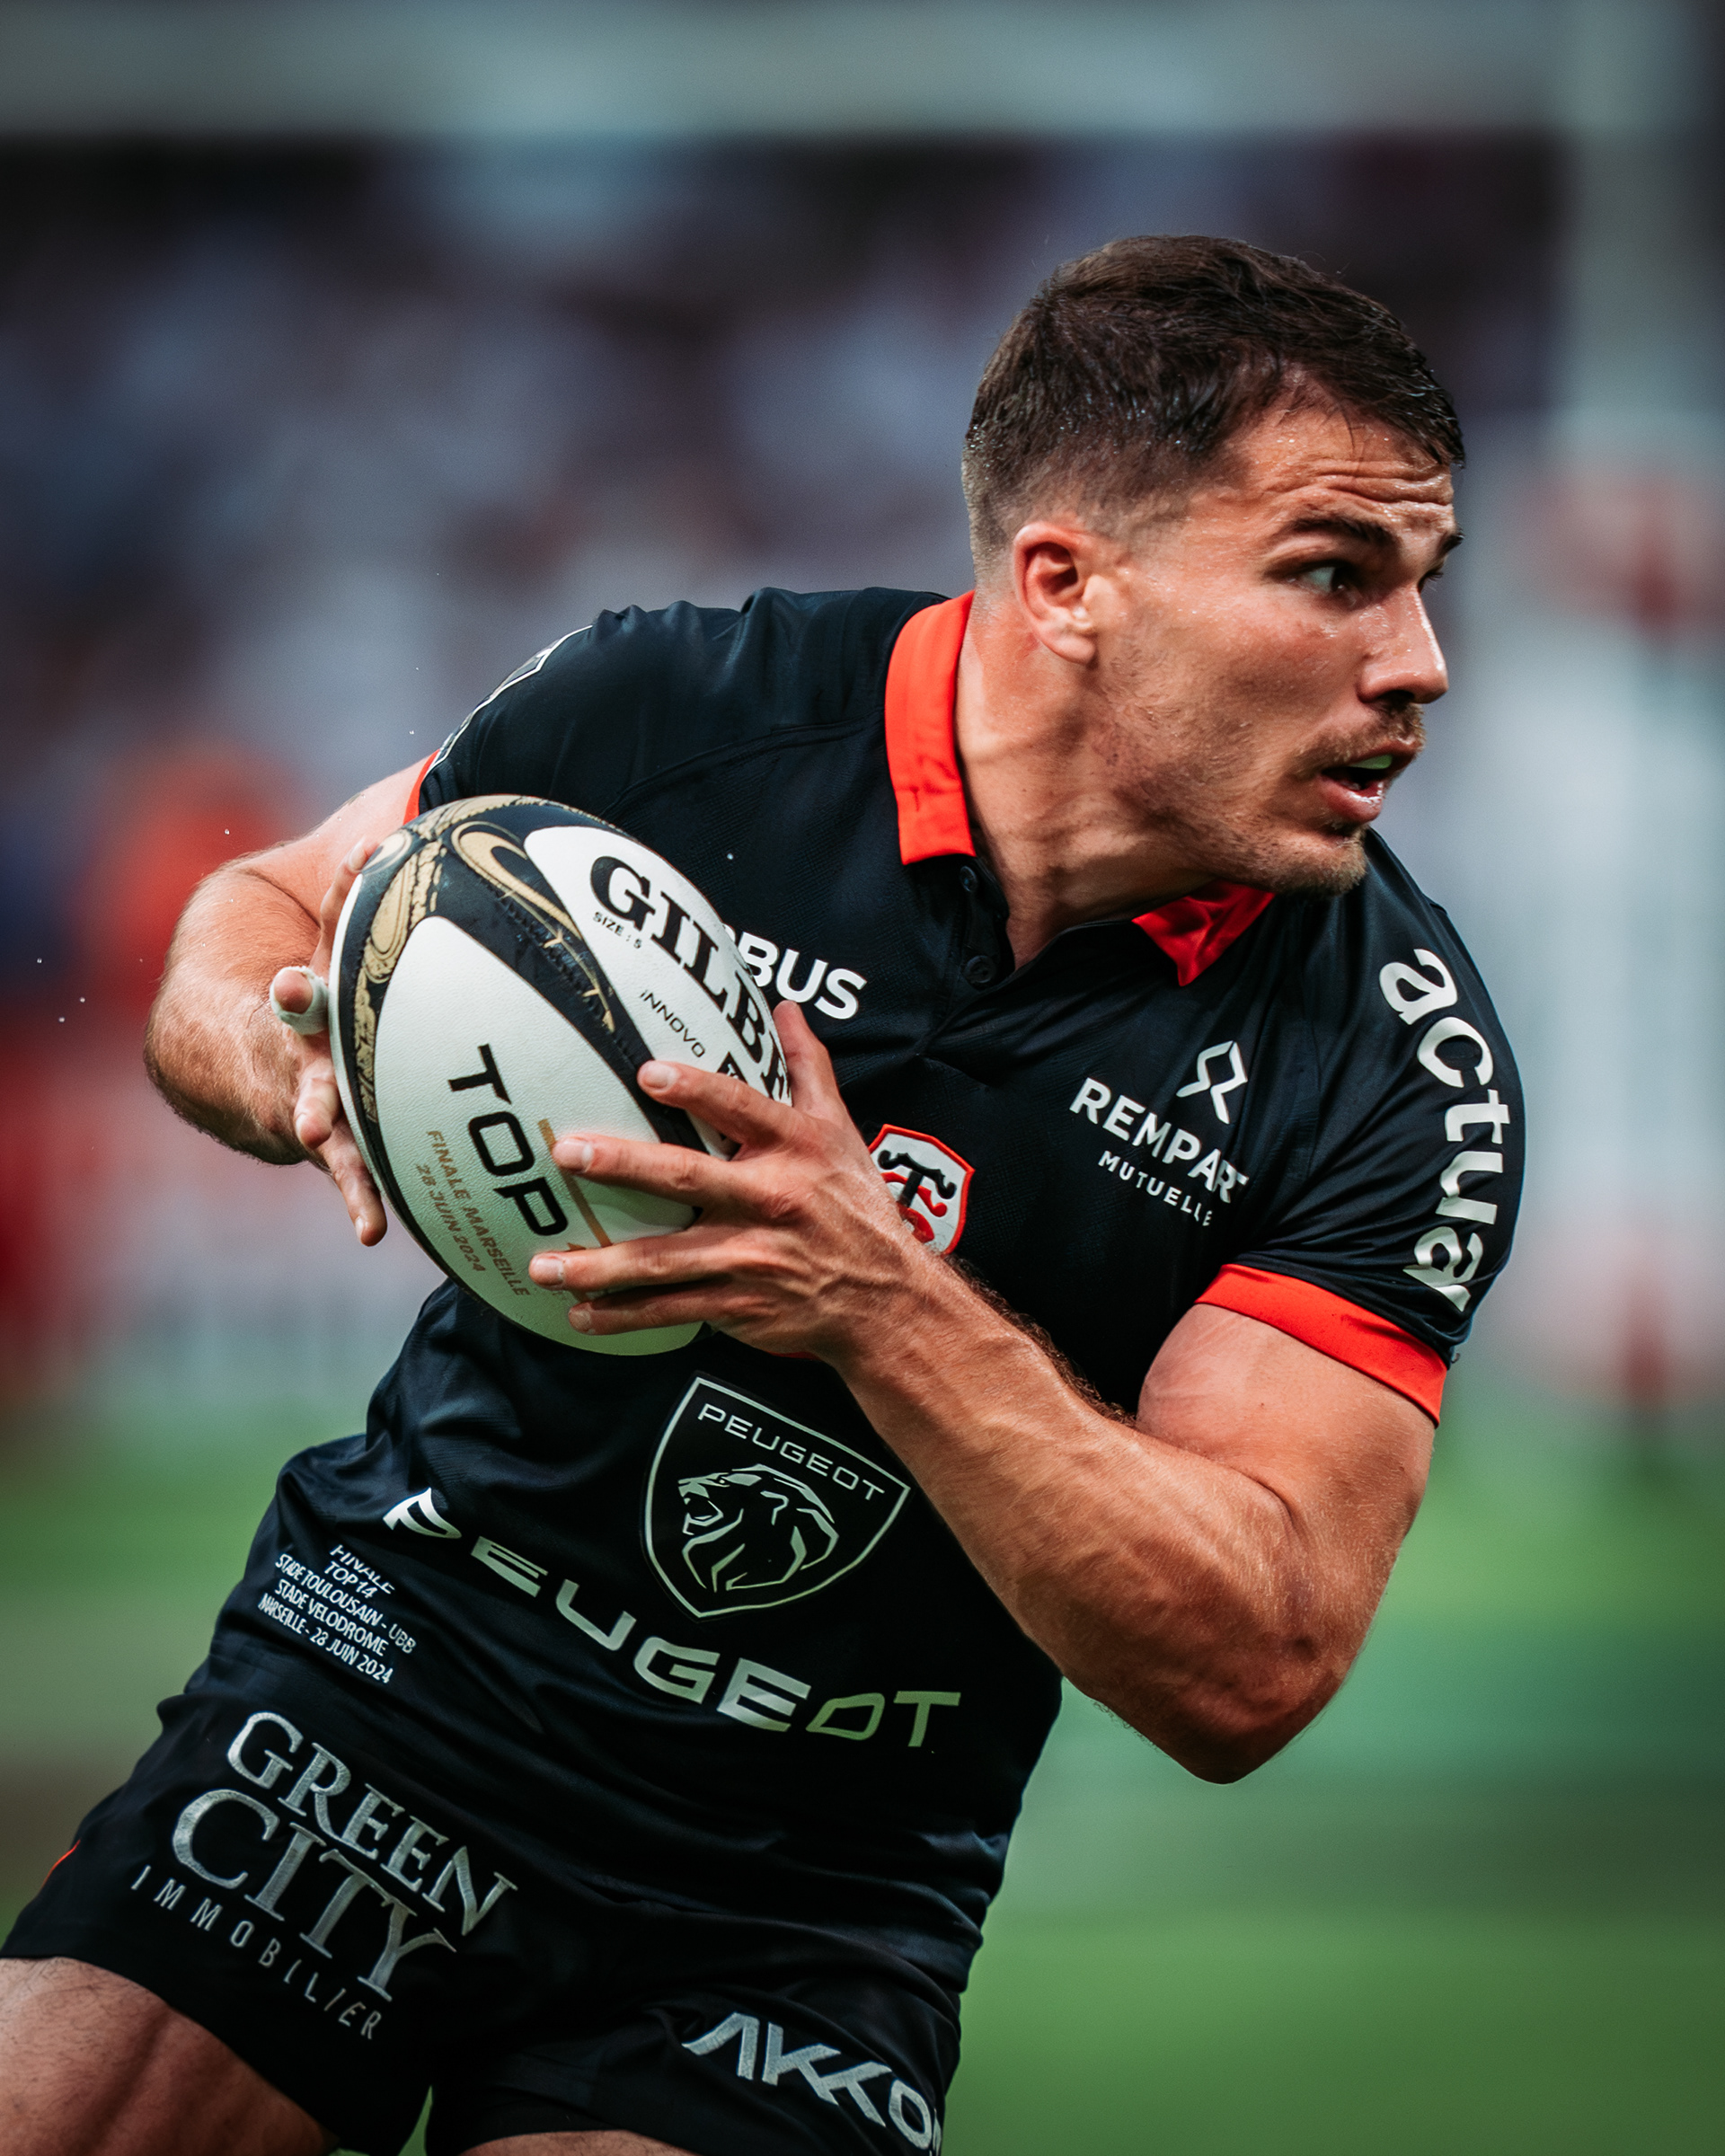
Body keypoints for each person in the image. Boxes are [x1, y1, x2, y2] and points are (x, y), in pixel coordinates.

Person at [0, 235, 1521, 2156]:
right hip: (398, 1683)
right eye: (1335, 574)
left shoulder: (1400, 1064)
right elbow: (271, 911)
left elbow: (1253, 1659)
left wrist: (871, 1293)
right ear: (1068, 585)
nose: (1420, 663)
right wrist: (292, 1058)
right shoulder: (687, 715)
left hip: (809, 1890)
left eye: (1424, 580)